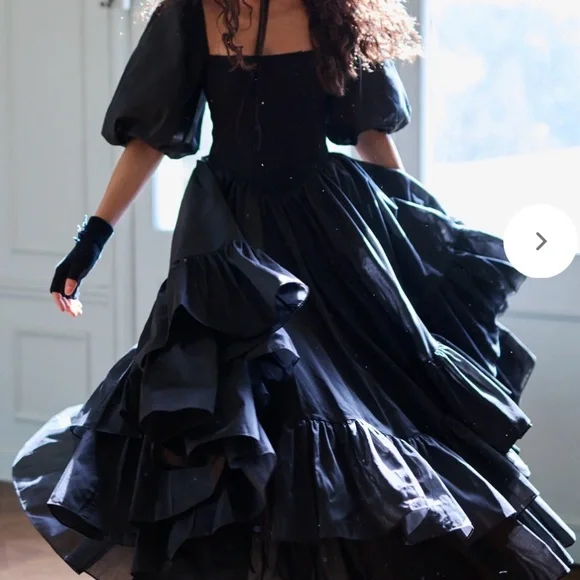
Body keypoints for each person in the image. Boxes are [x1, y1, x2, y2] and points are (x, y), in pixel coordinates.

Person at [12, 0, 575, 577]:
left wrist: (415, 230)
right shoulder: (192, 12)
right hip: (230, 241)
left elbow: (370, 134)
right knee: (235, 420)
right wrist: (92, 239)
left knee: (344, 406)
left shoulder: (337, 13)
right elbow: (148, 140)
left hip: (328, 235)